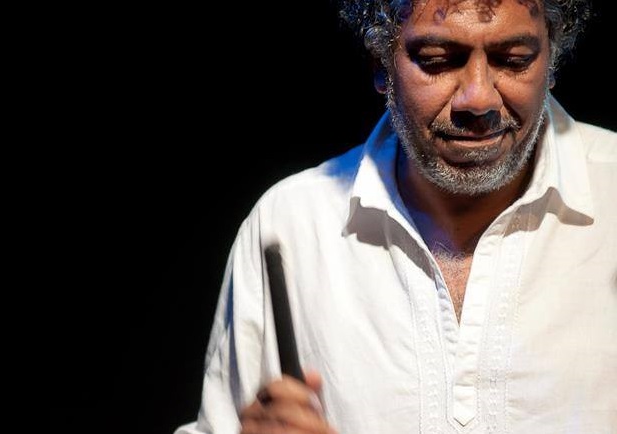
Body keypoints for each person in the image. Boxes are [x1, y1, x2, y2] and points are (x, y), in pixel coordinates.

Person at [176, 0, 616, 432]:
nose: (478, 98)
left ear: (552, 56)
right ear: (380, 64)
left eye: (514, 60)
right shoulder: (292, 224)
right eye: (437, 61)